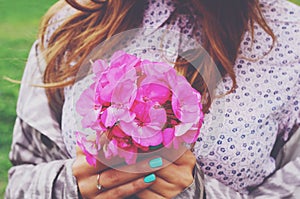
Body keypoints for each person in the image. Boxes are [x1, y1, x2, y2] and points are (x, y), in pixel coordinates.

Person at [5, 0, 300, 198]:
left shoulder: (290, 37)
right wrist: (69, 185)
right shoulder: (71, 22)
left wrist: (197, 193)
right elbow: (21, 179)